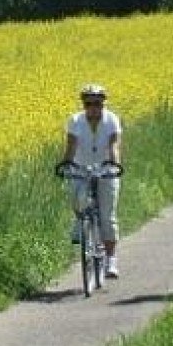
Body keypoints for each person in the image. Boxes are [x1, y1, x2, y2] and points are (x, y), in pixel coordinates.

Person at [54, 83, 123, 277]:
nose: (93, 108)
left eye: (97, 104)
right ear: (84, 105)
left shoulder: (111, 120)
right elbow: (71, 146)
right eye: (89, 104)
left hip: (105, 168)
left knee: (107, 216)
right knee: (77, 198)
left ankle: (111, 260)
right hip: (81, 167)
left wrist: (115, 164)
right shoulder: (75, 121)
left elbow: (114, 145)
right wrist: (66, 164)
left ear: (103, 104)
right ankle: (80, 222)